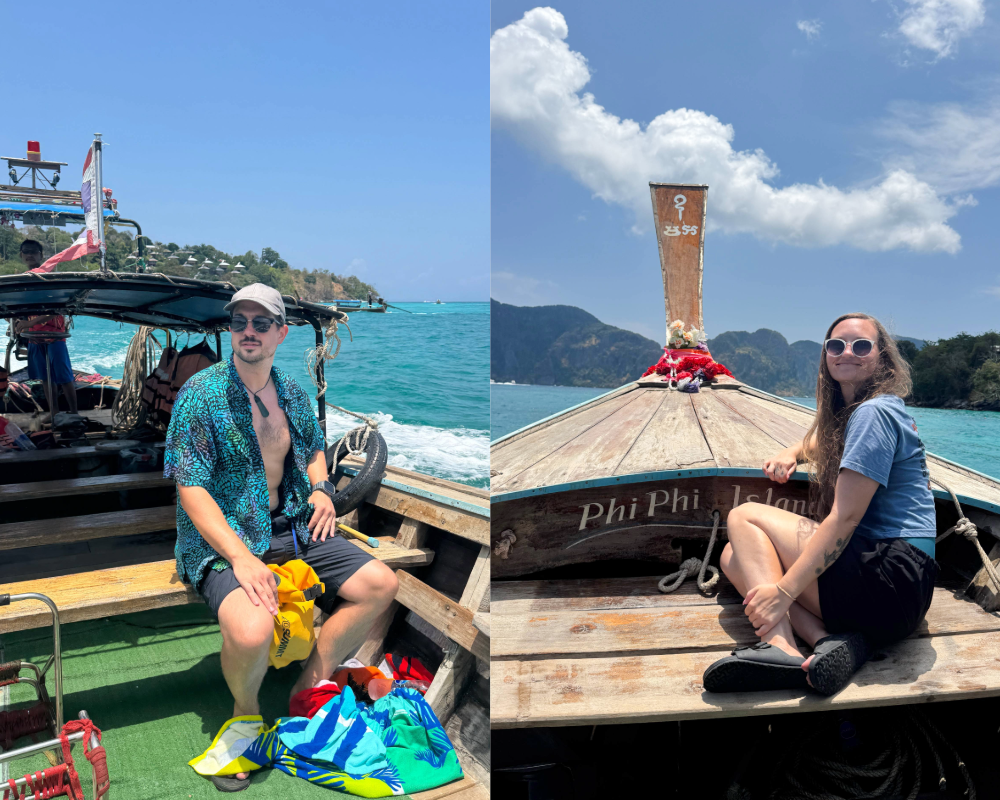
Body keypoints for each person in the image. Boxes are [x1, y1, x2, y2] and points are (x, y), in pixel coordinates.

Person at [164, 283, 398, 792]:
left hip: (291, 524)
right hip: (223, 540)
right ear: (231, 330)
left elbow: (316, 452)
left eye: (260, 323)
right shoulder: (199, 397)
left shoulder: (293, 392)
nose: (248, 331)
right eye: (239, 322)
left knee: (379, 585)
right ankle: (245, 716)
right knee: (252, 631)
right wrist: (242, 560)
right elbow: (191, 489)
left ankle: (307, 687)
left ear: (280, 333)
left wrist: (321, 490)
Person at [703, 312, 938, 696]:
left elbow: (845, 519)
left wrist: (781, 595)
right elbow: (821, 444)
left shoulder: (874, 413)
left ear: (882, 358)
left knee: (744, 517)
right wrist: (792, 451)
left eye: (861, 345)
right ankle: (828, 639)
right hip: (901, 595)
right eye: (836, 345)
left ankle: (779, 646)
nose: (847, 352)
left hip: (891, 577)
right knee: (733, 556)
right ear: (826, 357)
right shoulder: (863, 414)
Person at [14, 240, 79, 417]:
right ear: (21, 255)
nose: (30, 255)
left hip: (55, 335)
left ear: (41, 255)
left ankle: (74, 414)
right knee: (45, 378)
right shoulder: (22, 280)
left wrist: (27, 324)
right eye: (26, 252)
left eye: (34, 252)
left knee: (64, 377)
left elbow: (58, 308)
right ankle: (54, 413)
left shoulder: (49, 278)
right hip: (34, 336)